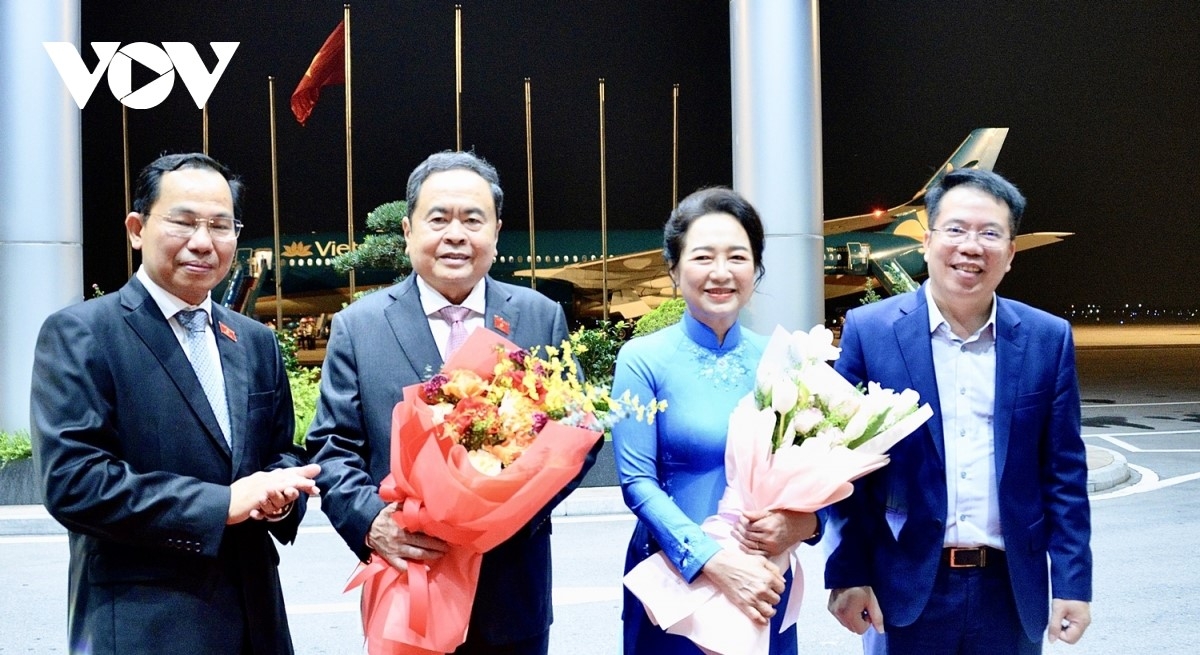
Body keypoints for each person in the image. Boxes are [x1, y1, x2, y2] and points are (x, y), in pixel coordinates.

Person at [30, 152, 321, 655]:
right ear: (137, 229)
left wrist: (279, 496)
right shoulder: (83, 334)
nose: (203, 241)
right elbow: (74, 482)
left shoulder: (254, 341)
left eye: (220, 226)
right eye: (183, 222)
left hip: (257, 621)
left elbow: (279, 451)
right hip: (146, 624)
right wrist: (221, 504)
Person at [306, 150, 594, 654]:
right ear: (408, 230)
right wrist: (372, 522)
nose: (456, 235)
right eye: (438, 219)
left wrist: (506, 514)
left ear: (496, 232)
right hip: (409, 583)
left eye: (473, 220)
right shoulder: (360, 326)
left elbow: (578, 434)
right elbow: (333, 447)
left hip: (511, 593)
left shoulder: (539, 317)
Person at [824, 168, 1092, 654]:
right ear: (927, 242)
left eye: (990, 234)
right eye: (956, 229)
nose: (971, 247)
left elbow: (1064, 474)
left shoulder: (1047, 339)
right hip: (902, 590)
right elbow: (843, 470)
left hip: (1009, 592)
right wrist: (847, 572)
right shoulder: (870, 332)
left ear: (1010, 253)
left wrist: (1073, 583)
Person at [612, 187, 821, 654]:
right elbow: (637, 483)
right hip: (673, 579)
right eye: (703, 256)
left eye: (737, 257)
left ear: (756, 268)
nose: (721, 272)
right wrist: (714, 561)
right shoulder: (642, 359)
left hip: (763, 583)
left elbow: (821, 472)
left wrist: (804, 524)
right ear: (674, 268)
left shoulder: (784, 358)